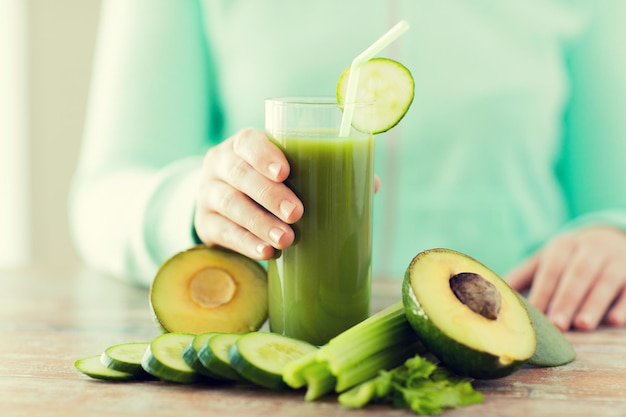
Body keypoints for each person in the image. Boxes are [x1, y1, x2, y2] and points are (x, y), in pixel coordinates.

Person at [69, 0, 626, 332]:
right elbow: (104, 194)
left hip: (505, 346)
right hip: (273, 351)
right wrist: (196, 205)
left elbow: (613, 196)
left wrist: (613, 231)